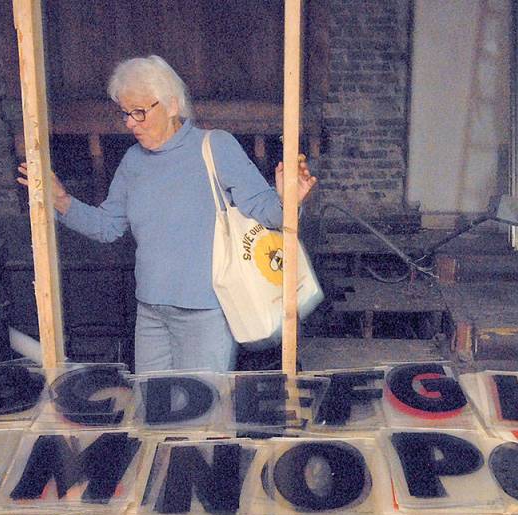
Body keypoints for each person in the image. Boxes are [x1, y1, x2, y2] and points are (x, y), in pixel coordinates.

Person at [18, 55, 317, 373]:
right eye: (125, 114)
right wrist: (61, 200)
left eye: (139, 112)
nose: (131, 123)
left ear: (172, 106)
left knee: (202, 413)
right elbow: (107, 227)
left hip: (207, 313)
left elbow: (266, 212)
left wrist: (288, 201)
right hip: (150, 313)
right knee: (153, 412)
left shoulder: (216, 147)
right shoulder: (133, 162)